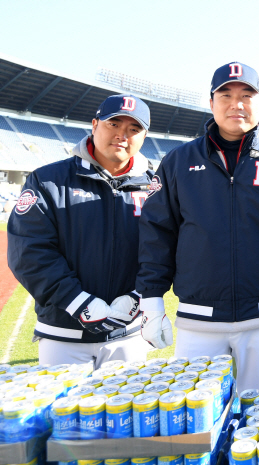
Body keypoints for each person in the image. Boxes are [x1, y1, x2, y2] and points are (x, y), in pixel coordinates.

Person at [136, 62, 259, 394]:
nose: (237, 104)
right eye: (226, 95)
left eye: (246, 95)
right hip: (198, 320)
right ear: (211, 103)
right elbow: (157, 233)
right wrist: (151, 299)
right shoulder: (178, 161)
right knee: (195, 423)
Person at [7, 94, 153, 368]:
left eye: (134, 129)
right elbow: (28, 251)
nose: (123, 135)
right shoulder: (47, 180)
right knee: (61, 411)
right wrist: (76, 301)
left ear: (144, 136)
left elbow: (167, 250)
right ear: (95, 125)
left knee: (127, 410)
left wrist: (140, 296)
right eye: (114, 124)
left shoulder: (156, 188)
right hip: (63, 335)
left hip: (129, 334)